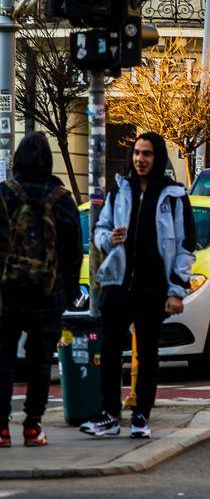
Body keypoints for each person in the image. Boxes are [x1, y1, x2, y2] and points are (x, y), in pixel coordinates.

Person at [81, 133, 197, 440]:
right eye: (136, 153)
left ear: (157, 158)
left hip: (152, 286)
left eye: (146, 154)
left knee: (148, 354)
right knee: (108, 351)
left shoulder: (174, 197)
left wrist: (176, 290)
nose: (140, 159)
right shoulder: (120, 190)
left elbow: (186, 247)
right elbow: (99, 230)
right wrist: (109, 239)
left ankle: (141, 415)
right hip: (118, 283)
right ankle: (109, 414)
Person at [0, 134, 83, 447]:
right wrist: (69, 289)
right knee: (39, 363)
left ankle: (2, 428)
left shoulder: (5, 195)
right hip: (48, 294)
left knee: (4, 359)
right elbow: (74, 250)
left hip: (7, 293)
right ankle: (33, 427)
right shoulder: (61, 199)